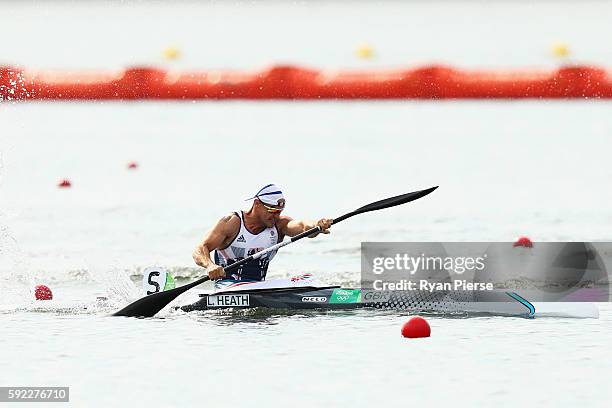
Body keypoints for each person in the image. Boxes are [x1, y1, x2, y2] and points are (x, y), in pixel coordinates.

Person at [193, 184, 332, 283]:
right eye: (272, 211)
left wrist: (316, 225)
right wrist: (210, 265)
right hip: (227, 287)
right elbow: (199, 249)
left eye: (279, 212)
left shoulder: (279, 225)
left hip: (259, 287)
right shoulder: (232, 222)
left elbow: (302, 227)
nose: (276, 216)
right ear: (257, 204)